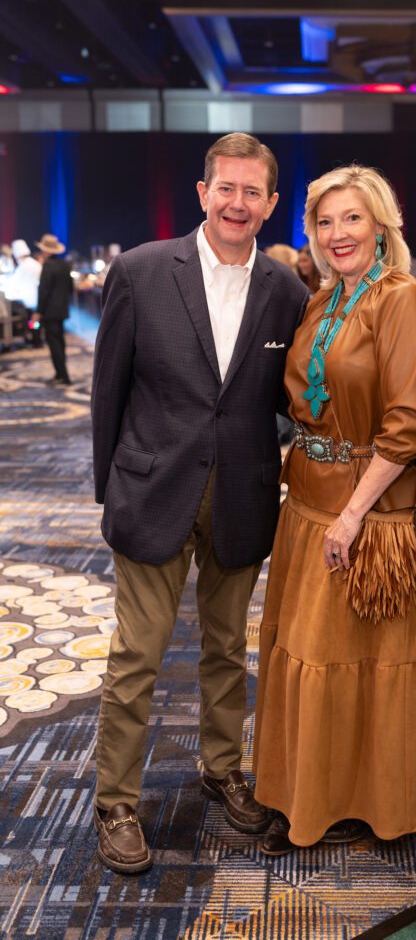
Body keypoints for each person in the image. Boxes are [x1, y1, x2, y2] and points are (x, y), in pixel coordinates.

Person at [91, 132, 309, 874]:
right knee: (136, 656)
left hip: (243, 496)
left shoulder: (287, 291)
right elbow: (107, 395)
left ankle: (223, 769)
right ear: (202, 192)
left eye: (253, 192)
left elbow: (289, 396)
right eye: (226, 188)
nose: (237, 203)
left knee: (226, 651)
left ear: (271, 203)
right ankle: (116, 799)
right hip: (151, 490)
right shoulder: (142, 271)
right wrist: (109, 490)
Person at [253, 164, 416, 856]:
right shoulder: (320, 299)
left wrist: (354, 513)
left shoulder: (401, 299)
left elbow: (409, 422)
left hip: (367, 512)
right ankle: (305, 794)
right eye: (324, 221)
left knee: (359, 664)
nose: (337, 234)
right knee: (302, 654)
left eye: (352, 219)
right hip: (304, 504)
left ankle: (366, 804)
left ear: (381, 225)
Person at [36, 233, 73, 383]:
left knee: (54, 343)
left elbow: (43, 291)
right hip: (62, 309)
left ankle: (63, 376)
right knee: (60, 341)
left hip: (50, 311)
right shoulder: (65, 265)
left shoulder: (48, 266)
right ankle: (61, 374)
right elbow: (70, 287)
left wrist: (38, 311)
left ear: (46, 250)